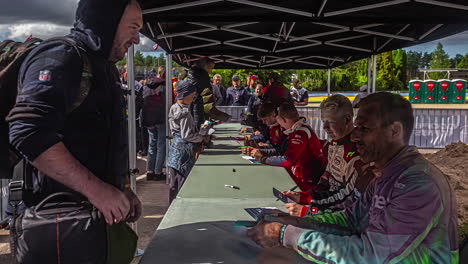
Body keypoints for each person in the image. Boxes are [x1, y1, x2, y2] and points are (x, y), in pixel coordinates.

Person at [247, 92, 459, 264]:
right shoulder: (386, 173)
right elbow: (349, 219)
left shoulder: (418, 184)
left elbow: (371, 256)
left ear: (395, 131)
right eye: (357, 128)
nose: (355, 136)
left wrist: (287, 234)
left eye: (364, 129)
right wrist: (295, 222)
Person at [8, 0, 143, 260]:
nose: (137, 39)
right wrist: (98, 190)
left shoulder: (104, 66)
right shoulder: (62, 56)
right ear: (106, 21)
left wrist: (121, 186)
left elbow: (100, 139)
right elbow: (28, 131)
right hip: (60, 225)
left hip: (92, 224)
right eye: (133, 27)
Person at [282, 94, 374, 217]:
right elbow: (327, 178)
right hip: (327, 205)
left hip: (338, 214)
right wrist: (305, 197)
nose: (325, 127)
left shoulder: (359, 153)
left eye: (330, 122)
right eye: (323, 121)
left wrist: (310, 210)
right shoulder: (334, 142)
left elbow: (348, 202)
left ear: (347, 120)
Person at [252, 103, 326, 191]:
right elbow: (283, 152)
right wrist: (263, 153)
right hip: (302, 177)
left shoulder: (300, 133)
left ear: (283, 119)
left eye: (279, 120)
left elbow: (288, 160)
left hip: (307, 182)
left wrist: (263, 159)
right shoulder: (296, 130)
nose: (280, 125)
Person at [166, 81, 208, 203]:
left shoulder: (174, 107)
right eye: (192, 94)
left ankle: (172, 208)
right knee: (181, 185)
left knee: (174, 185)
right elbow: (187, 135)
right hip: (183, 153)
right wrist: (201, 137)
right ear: (185, 95)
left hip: (175, 151)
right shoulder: (184, 113)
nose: (193, 97)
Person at [186, 57, 230, 129]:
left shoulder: (191, 77)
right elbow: (208, 104)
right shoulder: (203, 79)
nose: (210, 71)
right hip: (199, 114)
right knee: (200, 134)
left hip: (193, 114)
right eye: (210, 68)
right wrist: (224, 116)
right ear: (204, 66)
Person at [141, 66, 167, 181]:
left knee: (152, 144)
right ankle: (158, 171)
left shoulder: (146, 85)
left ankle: (149, 171)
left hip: (149, 118)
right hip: (161, 117)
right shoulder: (164, 85)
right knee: (161, 145)